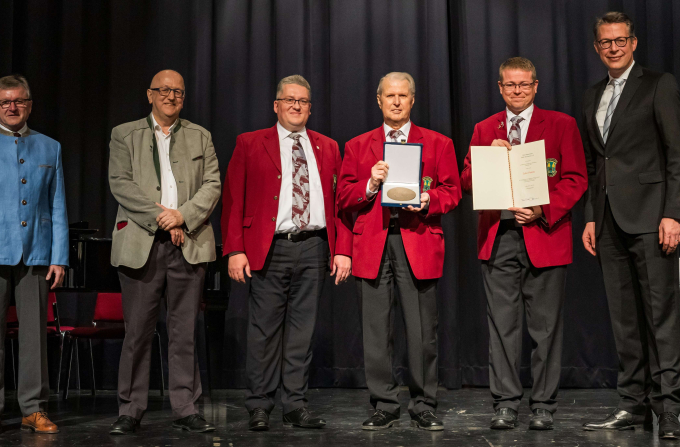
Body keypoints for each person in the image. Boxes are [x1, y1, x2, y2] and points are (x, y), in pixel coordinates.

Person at [579, 12, 680, 441]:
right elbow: (594, 165)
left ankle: (668, 410)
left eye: (620, 40)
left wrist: (674, 213)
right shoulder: (592, 95)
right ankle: (632, 404)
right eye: (606, 42)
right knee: (625, 320)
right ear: (596, 47)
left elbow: (678, 154)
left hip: (652, 218)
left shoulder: (659, 85)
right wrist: (591, 216)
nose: (613, 47)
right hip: (608, 221)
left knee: (660, 318)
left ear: (634, 42)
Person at [460, 57, 587, 430]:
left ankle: (544, 404)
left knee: (545, 328)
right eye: (510, 85)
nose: (517, 91)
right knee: (502, 326)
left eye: (524, 85)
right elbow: (466, 179)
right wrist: (488, 161)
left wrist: (541, 209)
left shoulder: (561, 125)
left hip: (544, 233)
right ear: (500, 88)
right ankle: (504, 403)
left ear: (536, 86)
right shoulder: (485, 128)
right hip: (498, 236)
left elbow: (576, 179)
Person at [222, 74, 352, 431]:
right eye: (290, 100)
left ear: (310, 108)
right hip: (270, 248)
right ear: (276, 105)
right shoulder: (250, 143)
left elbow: (339, 204)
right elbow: (233, 199)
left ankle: (295, 404)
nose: (296, 106)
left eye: (303, 101)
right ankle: (260, 405)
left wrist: (342, 250)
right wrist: (235, 249)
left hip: (314, 248)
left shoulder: (328, 146)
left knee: (301, 333)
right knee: (263, 332)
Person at [337, 72, 460, 431]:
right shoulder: (358, 146)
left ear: (412, 100)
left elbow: (452, 190)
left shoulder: (437, 142)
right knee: (376, 330)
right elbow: (343, 197)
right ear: (378, 100)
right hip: (373, 242)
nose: (395, 101)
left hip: (417, 239)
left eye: (402, 96)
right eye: (389, 95)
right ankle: (384, 403)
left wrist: (428, 199)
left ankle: (423, 403)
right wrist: (370, 184)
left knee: (423, 330)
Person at [107, 70, 221, 435]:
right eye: (164, 90)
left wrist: (182, 217)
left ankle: (186, 407)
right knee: (137, 332)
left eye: (178, 92)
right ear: (150, 94)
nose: (171, 96)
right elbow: (120, 184)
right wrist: (163, 219)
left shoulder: (200, 136)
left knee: (184, 332)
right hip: (142, 245)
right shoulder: (124, 134)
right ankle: (131, 408)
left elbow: (212, 185)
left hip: (189, 244)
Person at [0, 74, 69, 436]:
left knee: (35, 336)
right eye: (5, 102)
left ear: (29, 104)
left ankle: (33, 409)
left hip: (36, 252)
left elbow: (58, 205)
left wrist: (59, 256)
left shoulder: (50, 147)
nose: (12, 106)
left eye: (18, 100)